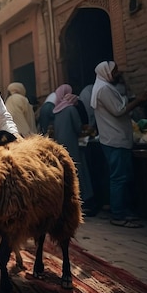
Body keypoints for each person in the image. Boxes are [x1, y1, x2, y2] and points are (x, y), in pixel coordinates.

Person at [90, 61, 147, 229]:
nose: (117, 73)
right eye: (114, 71)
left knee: (122, 177)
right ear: (106, 72)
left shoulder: (104, 86)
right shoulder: (103, 89)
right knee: (119, 178)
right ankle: (118, 214)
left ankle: (123, 210)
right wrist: (139, 100)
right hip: (115, 139)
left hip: (116, 138)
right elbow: (119, 110)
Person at [53, 84, 98, 216]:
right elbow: (78, 128)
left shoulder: (56, 111)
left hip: (62, 147)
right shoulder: (71, 109)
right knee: (80, 172)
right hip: (73, 145)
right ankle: (86, 201)